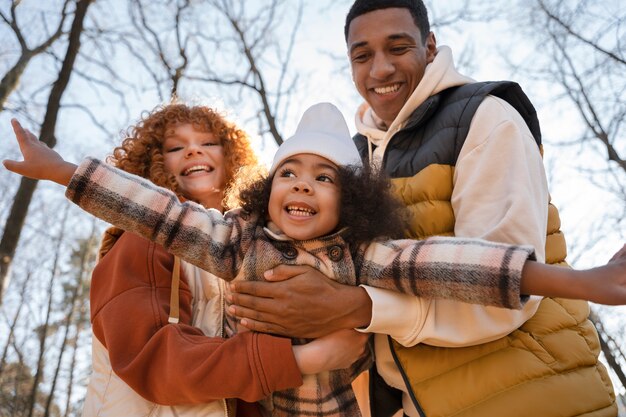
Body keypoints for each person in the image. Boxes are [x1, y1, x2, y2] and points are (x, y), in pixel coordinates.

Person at [4, 103, 626, 417]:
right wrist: (62, 170)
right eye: (290, 172)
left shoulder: (368, 257)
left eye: (323, 177)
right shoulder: (229, 243)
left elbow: (463, 266)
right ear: (267, 188)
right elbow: (157, 214)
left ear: (350, 198)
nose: (302, 185)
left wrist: (586, 282)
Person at [222, 1, 621, 416]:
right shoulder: (347, 161)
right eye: (363, 56)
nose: (380, 70)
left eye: (397, 48)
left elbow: (497, 289)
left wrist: (359, 307)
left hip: (527, 393)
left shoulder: (482, 116)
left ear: (429, 47)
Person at [73, 103, 370, 417]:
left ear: (233, 155)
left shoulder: (261, 250)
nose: (193, 151)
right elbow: (153, 361)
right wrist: (304, 358)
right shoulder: (142, 242)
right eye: (175, 147)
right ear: (151, 163)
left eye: (209, 142)